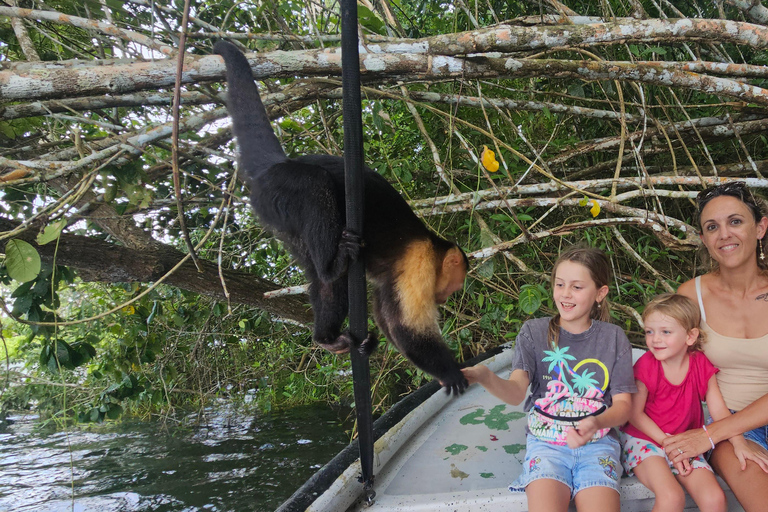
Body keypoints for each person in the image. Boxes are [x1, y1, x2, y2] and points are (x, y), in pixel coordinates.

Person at [462, 247, 635, 512]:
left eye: (577, 287)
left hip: (598, 444)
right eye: (560, 284)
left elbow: (623, 407)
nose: (565, 293)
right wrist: (484, 376)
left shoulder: (613, 337)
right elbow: (517, 392)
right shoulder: (534, 331)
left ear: (600, 293)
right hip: (546, 445)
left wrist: (596, 423)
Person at [662, 181, 768, 512]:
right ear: (705, 240)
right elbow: (671, 371)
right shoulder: (691, 296)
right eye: (712, 227)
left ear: (760, 227)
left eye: (735, 221)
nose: (724, 234)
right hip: (730, 428)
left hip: (719, 430)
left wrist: (711, 433)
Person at [621, 293, 742, 512]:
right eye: (650, 331)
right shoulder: (647, 365)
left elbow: (718, 410)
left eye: (665, 332)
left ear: (690, 336)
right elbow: (634, 414)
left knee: (714, 499)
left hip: (686, 442)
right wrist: (669, 444)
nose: (655, 339)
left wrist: (738, 441)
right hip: (646, 441)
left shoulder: (700, 364)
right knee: (671, 497)